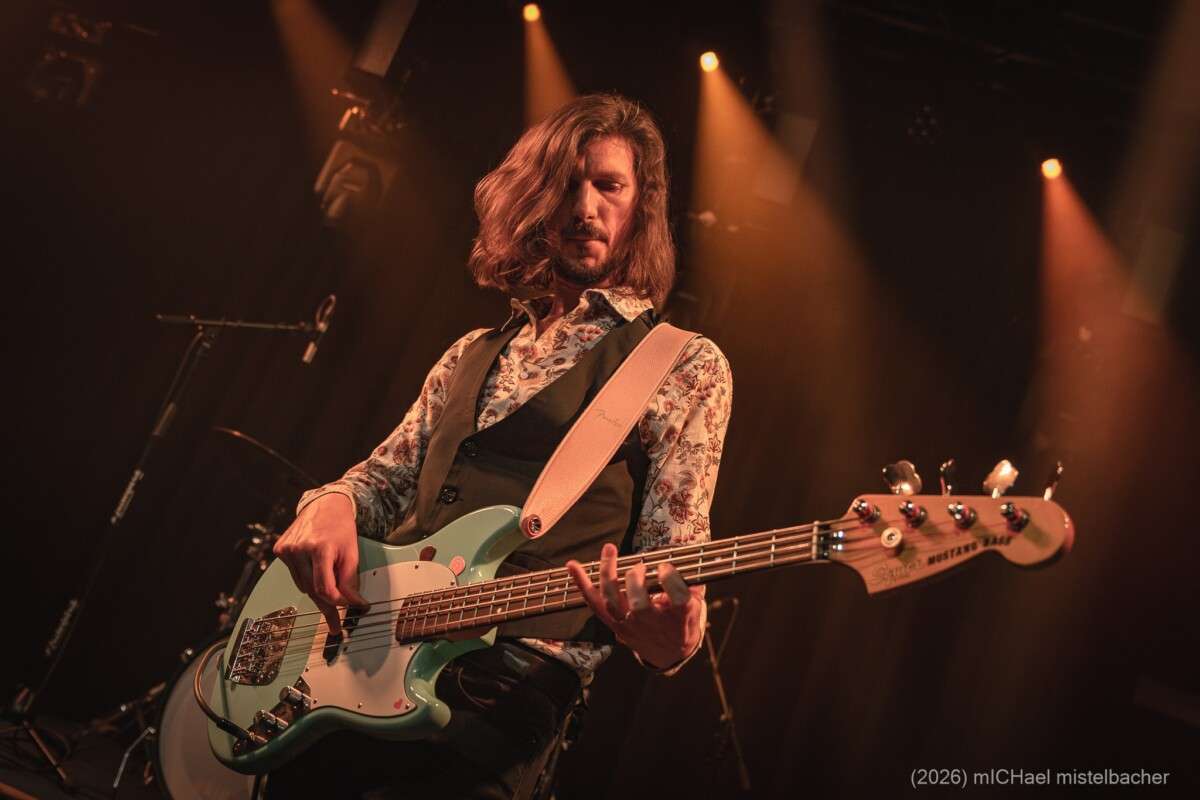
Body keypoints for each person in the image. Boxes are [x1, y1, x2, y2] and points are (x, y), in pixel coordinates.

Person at [266, 93, 732, 799]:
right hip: (362, 661)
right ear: (531, 200)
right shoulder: (471, 352)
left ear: (641, 207)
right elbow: (384, 480)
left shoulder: (683, 364)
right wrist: (328, 503)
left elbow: (676, 556)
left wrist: (671, 639)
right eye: (565, 185)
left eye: (608, 186)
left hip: (505, 696)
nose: (584, 207)